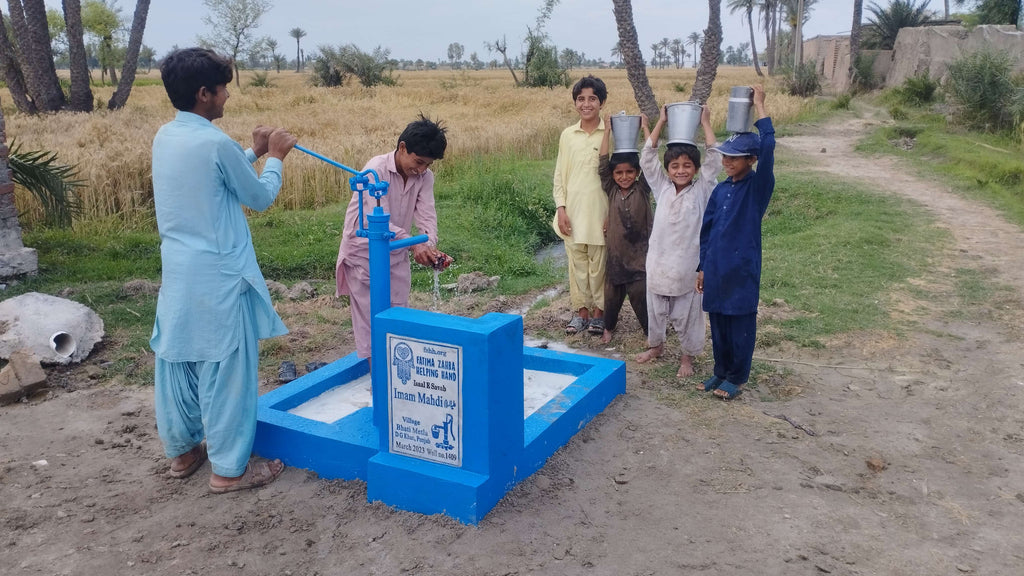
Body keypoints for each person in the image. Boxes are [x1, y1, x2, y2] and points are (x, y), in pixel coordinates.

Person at [150, 47, 296, 493]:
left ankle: (183, 453)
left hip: (179, 269)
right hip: (219, 274)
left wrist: (248, 152)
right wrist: (273, 157)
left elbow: (215, 180)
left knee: (178, 358)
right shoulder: (214, 143)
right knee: (229, 367)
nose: (228, 96)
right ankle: (229, 470)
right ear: (203, 93)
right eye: (223, 88)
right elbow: (257, 196)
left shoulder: (165, 136)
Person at [335, 115, 451, 360]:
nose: (421, 170)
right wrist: (415, 245)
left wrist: (429, 247)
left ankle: (396, 379)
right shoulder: (374, 172)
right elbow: (379, 223)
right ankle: (375, 380)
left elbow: (427, 215)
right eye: (418, 161)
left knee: (398, 315)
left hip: (397, 251)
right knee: (372, 319)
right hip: (364, 254)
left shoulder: (424, 177)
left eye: (427, 165)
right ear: (402, 148)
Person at [696, 85, 775, 400]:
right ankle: (720, 371)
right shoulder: (721, 190)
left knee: (740, 324)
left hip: (741, 271)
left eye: (735, 158)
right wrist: (702, 267)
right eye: (725, 156)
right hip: (716, 269)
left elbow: (769, 146)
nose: (727, 162)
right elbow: (707, 231)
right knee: (718, 324)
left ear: (752, 160)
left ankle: (738, 377)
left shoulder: (758, 190)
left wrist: (759, 107)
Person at [635, 104, 721, 378]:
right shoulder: (662, 189)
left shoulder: (702, 191)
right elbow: (647, 159)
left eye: (687, 166)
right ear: (668, 169)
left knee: (688, 315)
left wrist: (705, 124)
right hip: (659, 264)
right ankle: (656, 346)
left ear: (695, 169)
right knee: (656, 310)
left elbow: (715, 161)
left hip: (687, 267)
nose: (681, 170)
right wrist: (660, 122)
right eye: (675, 166)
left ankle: (687, 357)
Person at [553, 75, 609, 336]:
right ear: (575, 103)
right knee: (577, 267)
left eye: (592, 99)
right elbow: (560, 175)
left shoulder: (610, 133)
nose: (586, 104)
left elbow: (620, 175)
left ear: (601, 102)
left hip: (600, 212)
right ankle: (581, 313)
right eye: (581, 99)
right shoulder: (568, 135)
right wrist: (561, 208)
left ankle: (599, 313)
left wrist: (613, 214)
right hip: (573, 212)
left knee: (599, 266)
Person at [596, 114, 653, 345]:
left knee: (640, 296)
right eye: (619, 173)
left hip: (640, 256)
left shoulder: (642, 189)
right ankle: (608, 327)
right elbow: (602, 163)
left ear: (637, 173)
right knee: (611, 297)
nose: (624, 177)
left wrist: (646, 128)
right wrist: (607, 131)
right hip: (616, 257)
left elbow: (650, 161)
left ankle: (651, 332)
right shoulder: (611, 189)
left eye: (630, 172)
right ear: (613, 175)